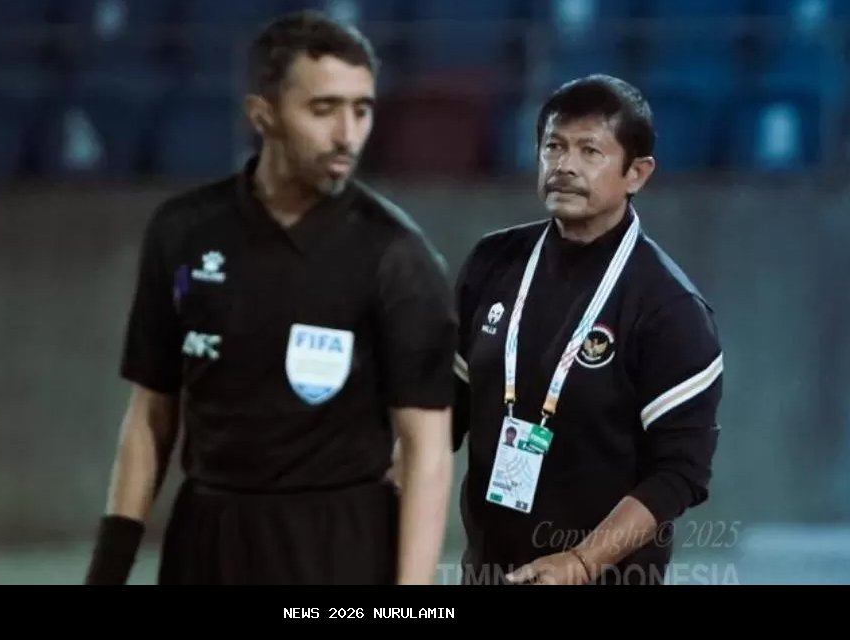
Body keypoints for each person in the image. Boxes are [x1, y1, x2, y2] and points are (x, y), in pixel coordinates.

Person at [84, 10, 457, 585]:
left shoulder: (396, 256)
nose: (347, 135)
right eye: (323, 109)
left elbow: (426, 451)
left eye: (361, 110)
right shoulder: (183, 232)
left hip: (337, 549)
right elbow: (150, 416)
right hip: (206, 541)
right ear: (263, 114)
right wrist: (108, 570)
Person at [452, 74, 723, 585]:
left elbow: (679, 474)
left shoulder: (669, 307)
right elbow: (443, 411)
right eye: (553, 146)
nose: (564, 166)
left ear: (636, 173)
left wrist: (581, 562)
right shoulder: (493, 262)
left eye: (589, 151)